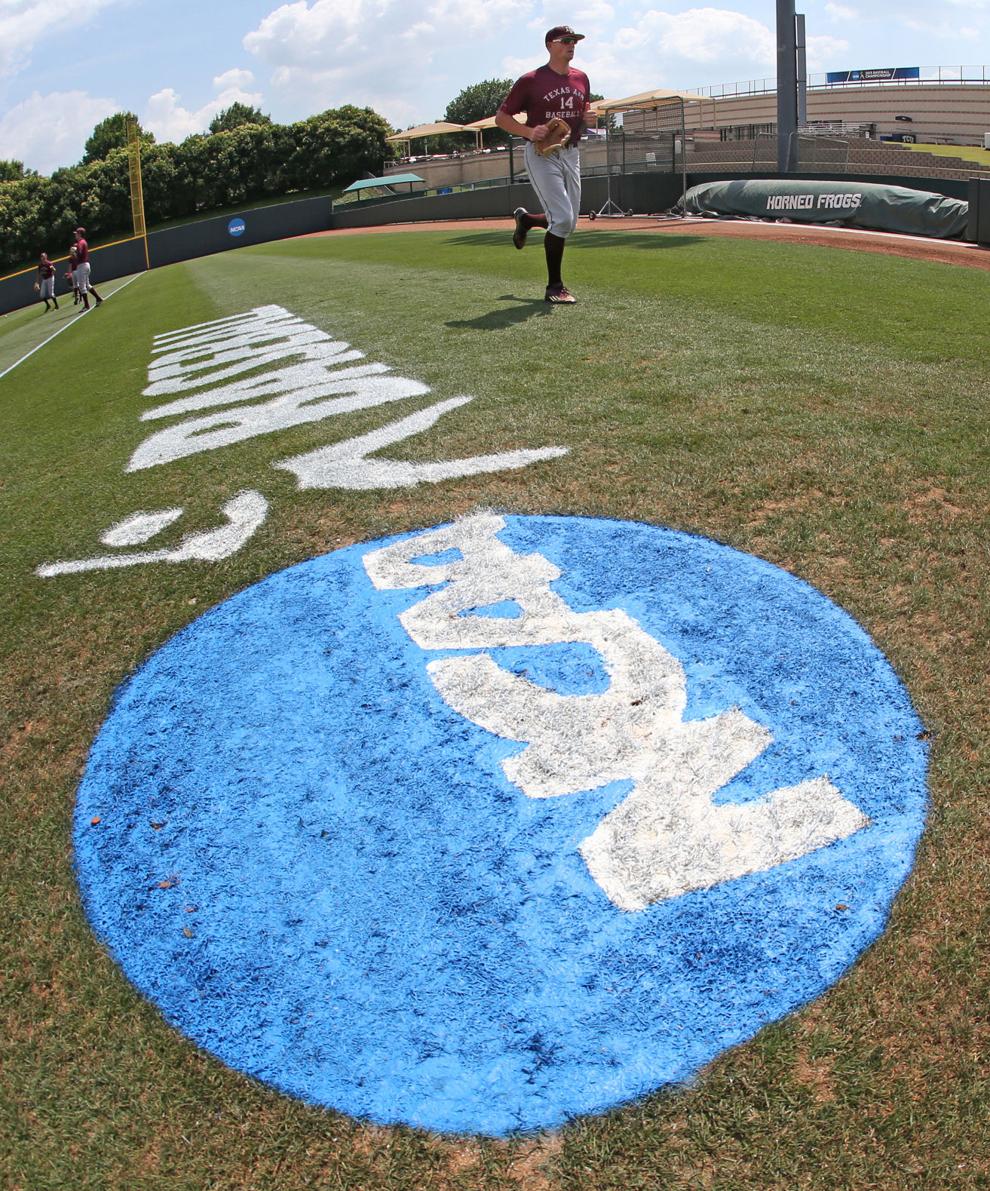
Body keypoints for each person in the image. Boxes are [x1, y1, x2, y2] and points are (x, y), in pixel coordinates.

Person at [494, 25, 596, 305]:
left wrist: (588, 118)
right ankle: (555, 287)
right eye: (566, 41)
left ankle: (526, 220)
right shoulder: (531, 80)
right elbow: (501, 118)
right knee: (561, 219)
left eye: (574, 41)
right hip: (541, 154)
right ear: (550, 45)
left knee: (568, 223)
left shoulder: (582, 78)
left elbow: (584, 111)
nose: (571, 45)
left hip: (570, 153)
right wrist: (529, 132)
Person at [72, 227, 103, 309]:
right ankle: (98, 298)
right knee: (87, 285)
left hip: (82, 266)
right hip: (85, 265)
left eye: (76, 233)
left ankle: (86, 305)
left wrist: (75, 252)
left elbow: (79, 253)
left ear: (80, 234)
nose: (75, 235)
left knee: (82, 287)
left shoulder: (80, 242)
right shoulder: (83, 242)